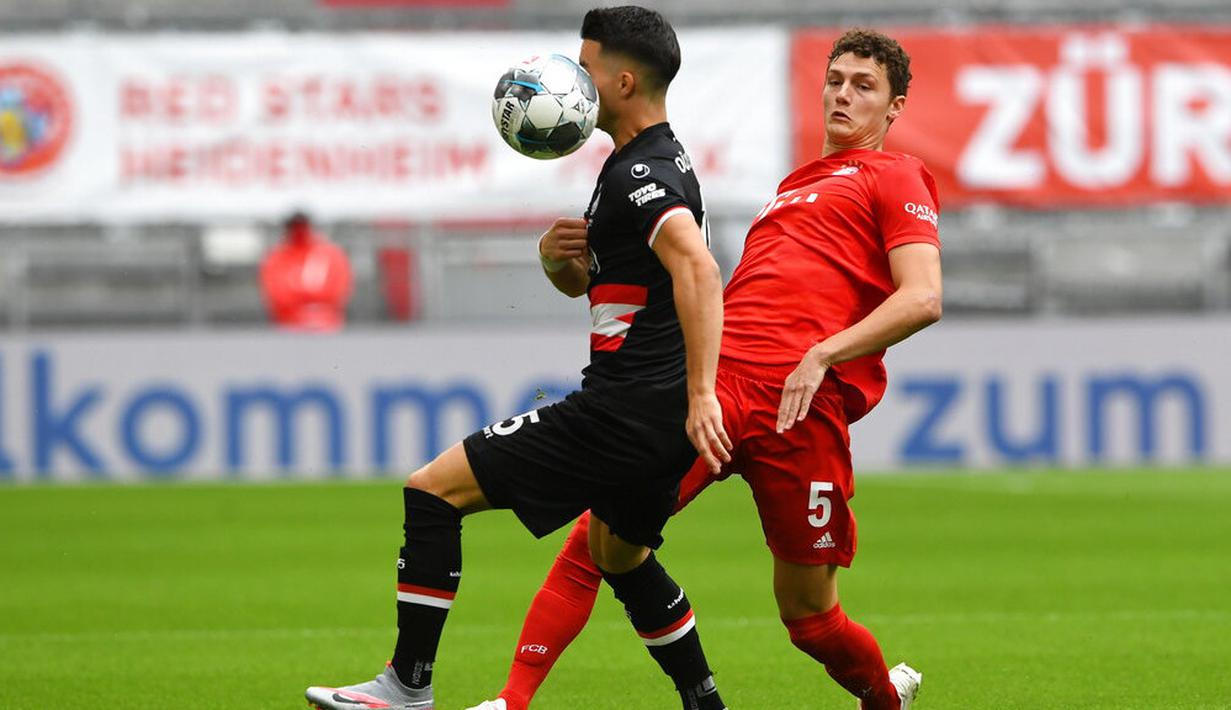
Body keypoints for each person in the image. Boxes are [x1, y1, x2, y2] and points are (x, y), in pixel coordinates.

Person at [467, 28, 942, 710]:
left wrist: (823, 353)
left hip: (802, 407)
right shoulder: (792, 185)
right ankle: (511, 701)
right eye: (835, 78)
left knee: (809, 620)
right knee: (596, 541)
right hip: (717, 386)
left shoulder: (895, 175)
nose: (842, 93)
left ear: (893, 109)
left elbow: (922, 298)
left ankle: (881, 698)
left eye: (863, 85)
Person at [305, 7, 733, 710]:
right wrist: (555, 261)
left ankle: (406, 685)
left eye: (586, 65)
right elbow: (606, 289)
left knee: (431, 490)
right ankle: (704, 703)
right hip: (652, 416)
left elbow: (698, 269)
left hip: (623, 410)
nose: (573, 76)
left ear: (622, 82)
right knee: (618, 556)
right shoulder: (645, 160)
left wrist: (702, 393)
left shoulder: (642, 173)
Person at [259, 211, 352, 331]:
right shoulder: (277, 257)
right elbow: (275, 292)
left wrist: (315, 306)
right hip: (288, 323)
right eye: (295, 226)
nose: (299, 230)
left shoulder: (330, 254)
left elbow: (339, 288)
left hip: (326, 322)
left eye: (301, 225)